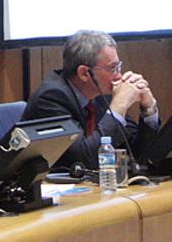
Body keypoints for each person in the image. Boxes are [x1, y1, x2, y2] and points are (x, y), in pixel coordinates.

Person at [21, 29, 160, 174]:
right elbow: (84, 160)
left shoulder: (101, 93)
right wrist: (119, 106)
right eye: (112, 68)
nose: (119, 76)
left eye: (119, 66)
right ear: (84, 73)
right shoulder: (51, 98)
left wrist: (148, 109)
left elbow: (138, 155)